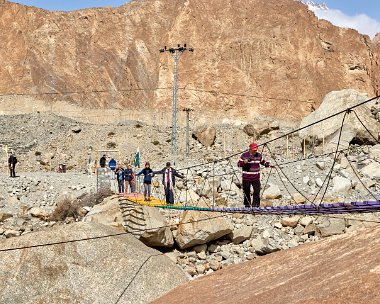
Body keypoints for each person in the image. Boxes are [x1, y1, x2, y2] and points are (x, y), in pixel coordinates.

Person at [238, 143, 273, 207]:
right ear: (250, 149)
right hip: (246, 177)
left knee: (257, 191)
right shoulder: (244, 155)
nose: (255, 151)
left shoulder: (259, 155)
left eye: (256, 150)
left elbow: (263, 162)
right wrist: (244, 162)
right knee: (246, 192)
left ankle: (255, 205)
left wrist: (268, 164)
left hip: (256, 177)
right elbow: (239, 164)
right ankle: (247, 205)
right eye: (253, 150)